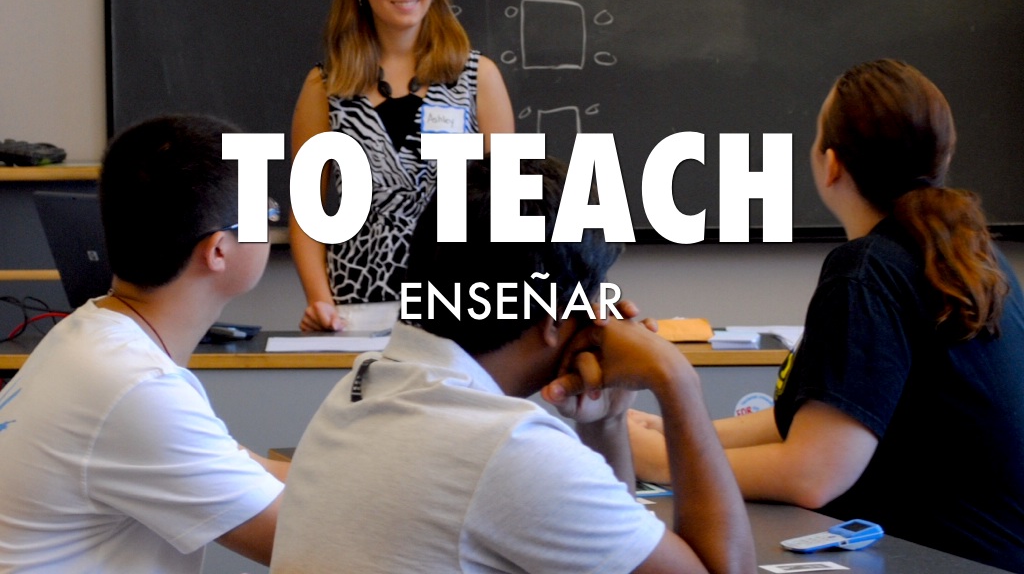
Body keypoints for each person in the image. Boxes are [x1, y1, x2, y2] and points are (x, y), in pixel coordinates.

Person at [629, 59, 1024, 572]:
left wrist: (662, 460)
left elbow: (812, 472)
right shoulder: (970, 257)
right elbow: (824, 421)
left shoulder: (867, 270)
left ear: (831, 164)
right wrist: (677, 433)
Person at [270, 157, 755, 574]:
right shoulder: (508, 448)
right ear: (556, 318)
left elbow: (610, 562)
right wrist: (676, 380)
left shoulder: (361, 390)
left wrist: (606, 421)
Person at [0, 114, 288, 573]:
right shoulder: (136, 387)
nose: (275, 225)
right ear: (218, 251)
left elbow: (254, 470)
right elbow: (316, 543)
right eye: (269, 214)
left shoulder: (90, 335)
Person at [291, 0, 515, 332]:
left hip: (459, 311)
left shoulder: (477, 77)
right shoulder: (325, 86)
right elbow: (307, 214)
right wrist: (321, 303)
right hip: (355, 312)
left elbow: (508, 207)